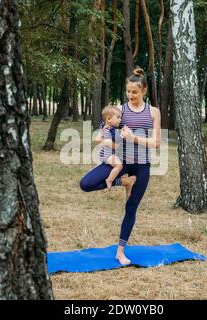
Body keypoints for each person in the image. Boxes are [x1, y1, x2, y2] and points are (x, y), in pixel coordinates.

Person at [80, 67, 162, 265]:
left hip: (142, 165)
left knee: (131, 207)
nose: (131, 95)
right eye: (128, 92)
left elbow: (157, 142)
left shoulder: (153, 112)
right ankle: (123, 182)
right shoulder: (121, 110)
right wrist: (103, 137)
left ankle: (120, 251)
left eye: (135, 92)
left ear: (144, 91)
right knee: (86, 183)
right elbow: (105, 126)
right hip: (122, 162)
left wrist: (134, 138)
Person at [95, 105, 135, 195]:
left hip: (104, 153)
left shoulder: (104, 127)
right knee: (118, 166)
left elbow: (98, 139)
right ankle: (109, 180)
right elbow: (117, 140)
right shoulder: (112, 130)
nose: (120, 120)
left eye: (120, 118)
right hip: (107, 155)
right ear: (109, 119)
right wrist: (123, 134)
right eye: (118, 117)